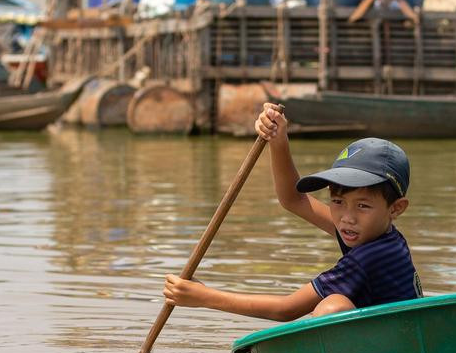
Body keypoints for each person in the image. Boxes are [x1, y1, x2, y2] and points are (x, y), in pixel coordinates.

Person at [162, 103, 422, 321]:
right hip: (394, 340)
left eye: (362, 205)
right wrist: (278, 140)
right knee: (335, 302)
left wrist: (204, 297)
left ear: (396, 208)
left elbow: (285, 309)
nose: (347, 217)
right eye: (337, 201)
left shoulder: (368, 256)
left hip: (398, 352)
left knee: (332, 307)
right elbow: (294, 199)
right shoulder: (373, 232)